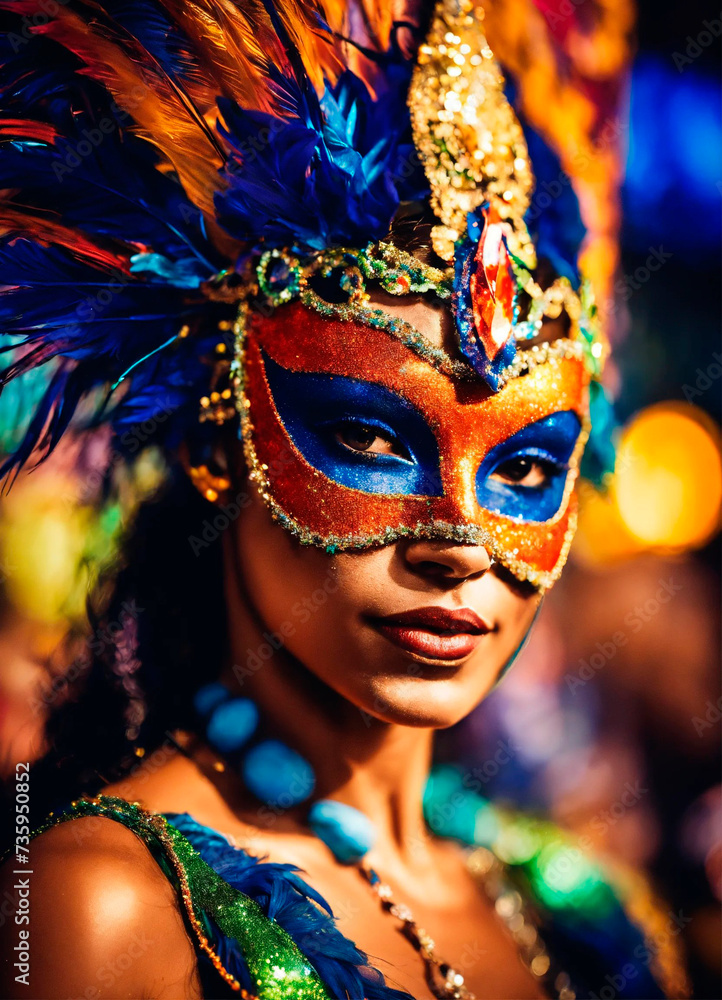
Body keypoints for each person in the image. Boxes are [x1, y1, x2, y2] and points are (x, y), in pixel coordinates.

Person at [0, 0, 690, 997]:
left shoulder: (592, 913)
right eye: (367, 436)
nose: (454, 539)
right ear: (219, 435)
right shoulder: (100, 913)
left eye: (525, 466)